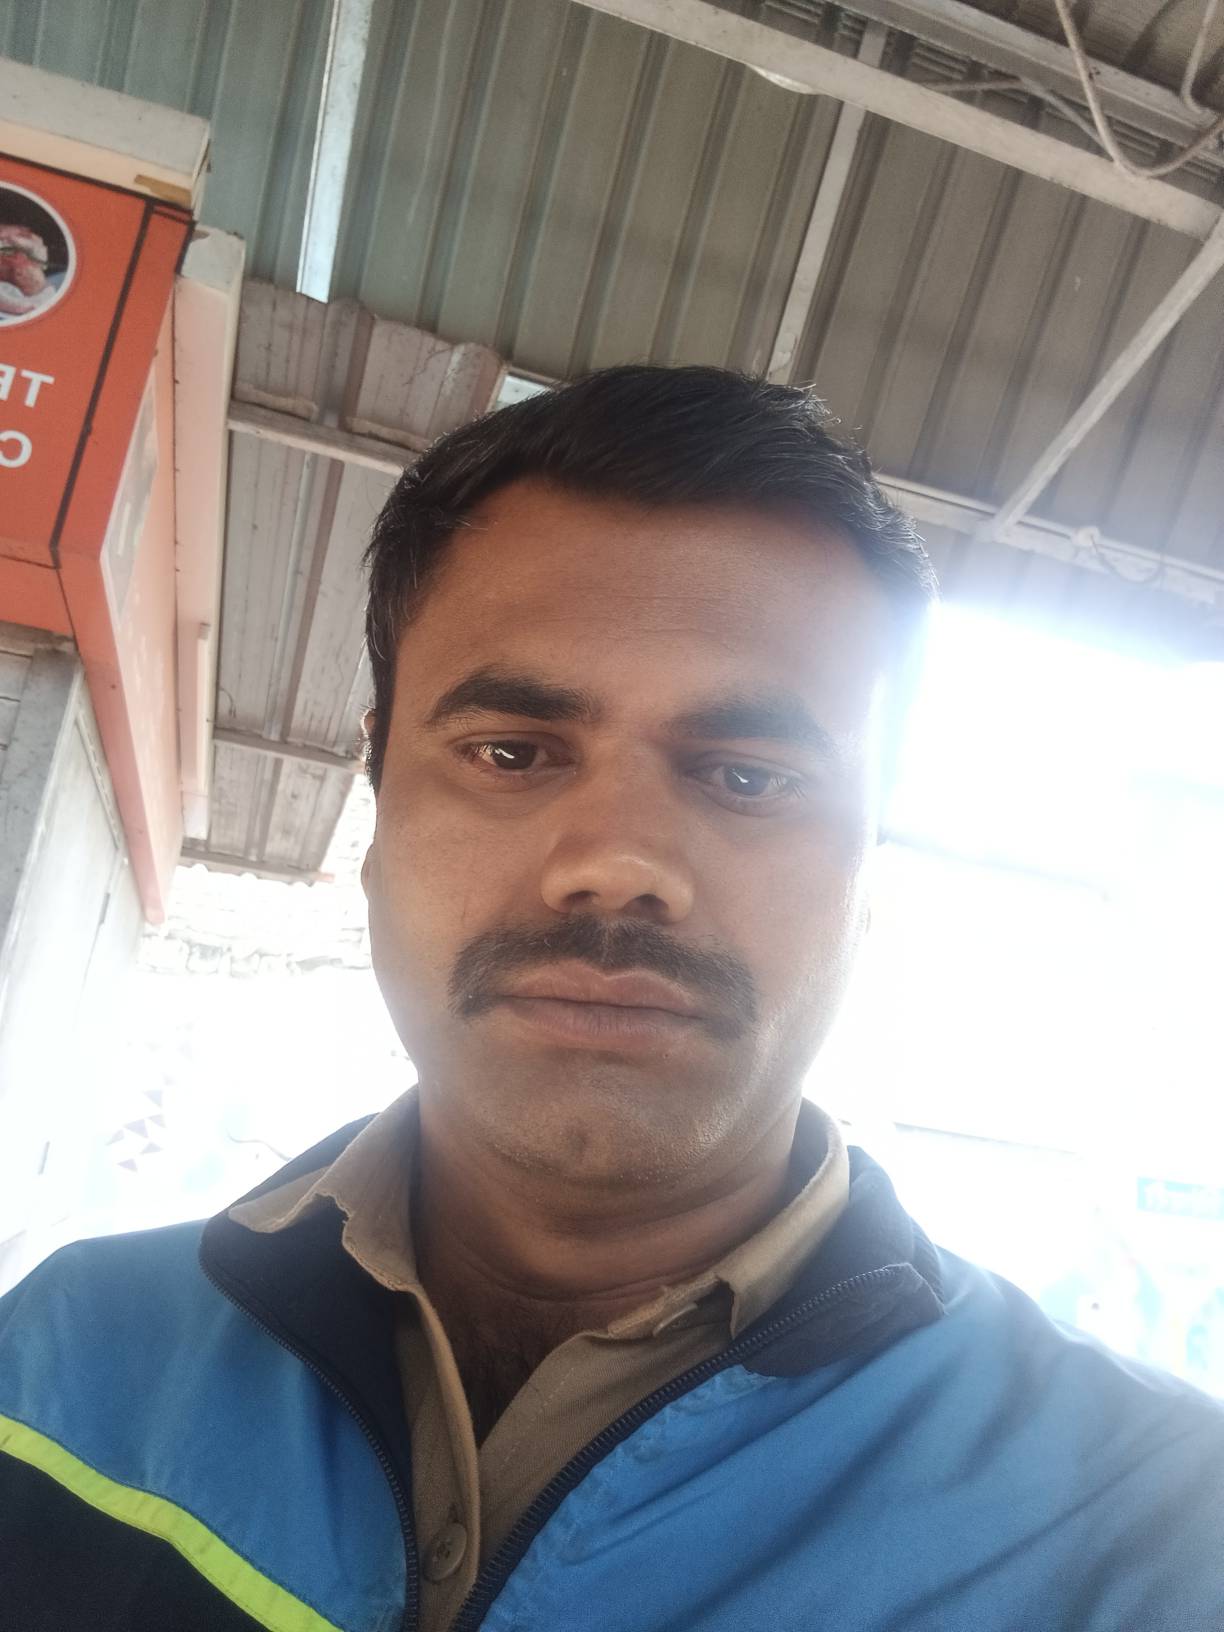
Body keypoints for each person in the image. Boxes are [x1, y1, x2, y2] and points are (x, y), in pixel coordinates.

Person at [1, 367, 1220, 1632]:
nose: (618, 864)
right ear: (379, 799)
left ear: (870, 860)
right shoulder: (61, 1368)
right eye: (510, 752)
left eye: (748, 777)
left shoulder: (1150, 1536)